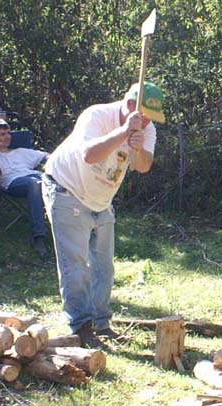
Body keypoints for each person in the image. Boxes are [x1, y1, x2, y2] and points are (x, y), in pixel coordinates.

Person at [42, 82, 163, 349]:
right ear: (130, 106)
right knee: (76, 265)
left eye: (151, 119)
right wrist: (122, 133)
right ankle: (80, 327)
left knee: (104, 267)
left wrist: (137, 146)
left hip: (101, 199)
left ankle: (101, 323)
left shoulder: (147, 129)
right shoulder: (96, 116)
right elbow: (88, 155)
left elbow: (143, 167)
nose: (147, 123)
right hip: (66, 189)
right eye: (144, 116)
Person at [0, 118, 52, 257]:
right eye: (2, 134)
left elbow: (47, 156)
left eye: (8, 133)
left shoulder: (20, 151)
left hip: (35, 176)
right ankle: (38, 237)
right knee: (34, 184)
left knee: (56, 180)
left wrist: (54, 161)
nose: (7, 137)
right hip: (12, 183)